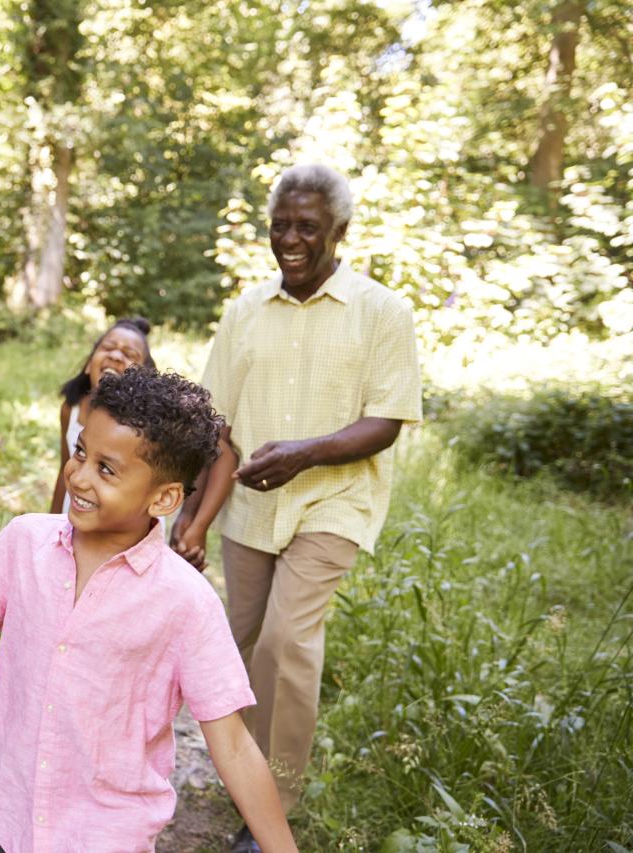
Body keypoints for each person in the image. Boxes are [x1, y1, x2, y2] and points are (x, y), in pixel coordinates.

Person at [0, 368, 299, 853]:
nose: (80, 476)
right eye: (81, 452)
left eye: (107, 469)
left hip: (108, 835)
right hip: (12, 816)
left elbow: (232, 744)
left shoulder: (186, 601)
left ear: (165, 497)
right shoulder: (26, 542)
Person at [182, 164, 422, 852]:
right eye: (281, 224)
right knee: (242, 645)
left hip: (334, 500)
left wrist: (305, 454)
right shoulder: (244, 312)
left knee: (288, 642)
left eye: (307, 226)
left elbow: (387, 420)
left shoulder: (382, 311)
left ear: (339, 231)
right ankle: (247, 780)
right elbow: (215, 425)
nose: (291, 238)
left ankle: (273, 813)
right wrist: (191, 512)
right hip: (251, 509)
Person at [49, 317, 155, 515]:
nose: (115, 355)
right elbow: (65, 467)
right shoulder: (71, 409)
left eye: (129, 354)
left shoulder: (146, 427)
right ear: (89, 363)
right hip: (76, 510)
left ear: (144, 377)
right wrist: (50, 522)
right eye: (108, 347)